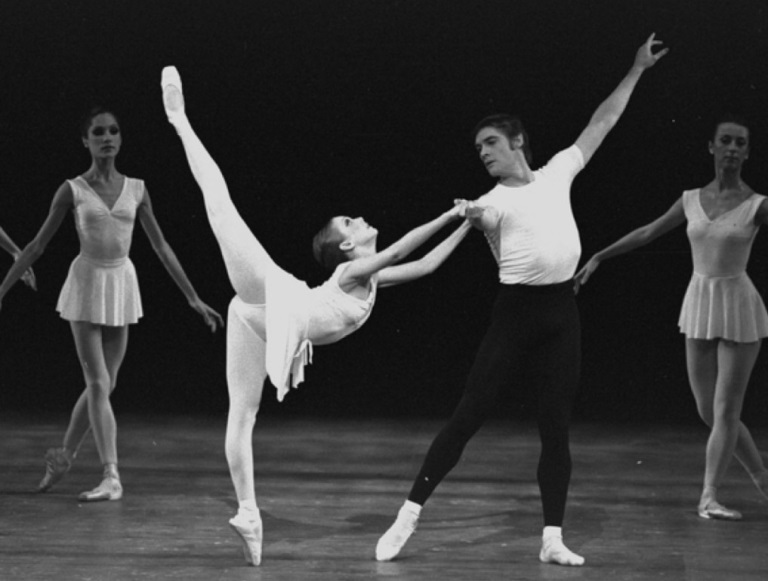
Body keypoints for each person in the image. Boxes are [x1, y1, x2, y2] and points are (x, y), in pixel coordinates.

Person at [375, 33, 668, 567]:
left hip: (561, 316)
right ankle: (408, 515)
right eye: (479, 148)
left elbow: (601, 122)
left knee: (555, 428)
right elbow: (485, 218)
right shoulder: (491, 202)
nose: (483, 153)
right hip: (515, 318)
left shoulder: (558, 172)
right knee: (468, 417)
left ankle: (551, 537)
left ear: (517, 143)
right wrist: (471, 215)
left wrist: (635, 70)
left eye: (490, 143)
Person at [160, 66, 472, 566]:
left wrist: (469, 225)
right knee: (220, 209)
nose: (361, 218)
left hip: (259, 317)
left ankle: (249, 515)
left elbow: (426, 264)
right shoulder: (353, 273)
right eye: (351, 221)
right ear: (348, 246)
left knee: (243, 415)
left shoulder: (370, 281)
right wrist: (449, 215)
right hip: (279, 298)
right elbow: (396, 253)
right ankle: (179, 118)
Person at [0, 107, 224, 502]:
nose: (107, 137)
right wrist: (2, 289)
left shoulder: (137, 189)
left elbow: (161, 246)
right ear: (85, 141)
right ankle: (111, 476)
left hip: (120, 281)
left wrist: (193, 297)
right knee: (98, 383)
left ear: (120, 139)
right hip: (86, 283)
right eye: (98, 132)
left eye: (113, 131)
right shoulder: (71, 189)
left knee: (107, 384)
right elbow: (37, 245)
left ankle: (64, 456)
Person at [574, 114, 768, 520]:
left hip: (738, 305)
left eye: (740, 143)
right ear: (712, 147)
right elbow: (648, 232)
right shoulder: (690, 199)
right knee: (707, 410)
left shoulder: (758, 205)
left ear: (747, 153)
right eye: (725, 141)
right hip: (700, 301)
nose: (732, 148)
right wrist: (599, 256)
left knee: (726, 409)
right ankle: (763, 480)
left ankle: (709, 496)